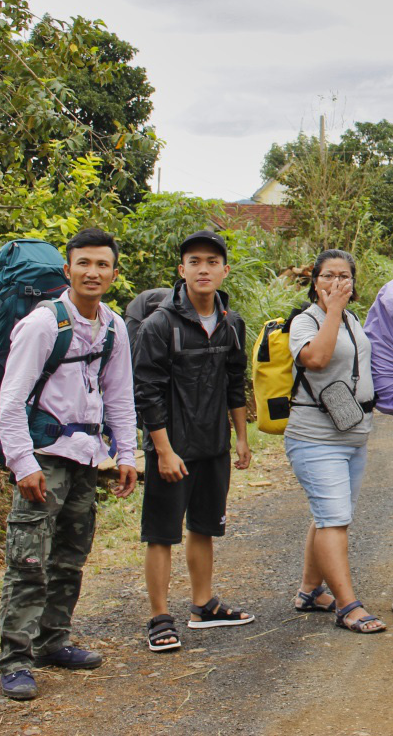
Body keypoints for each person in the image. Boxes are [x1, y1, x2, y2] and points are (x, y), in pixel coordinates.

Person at [0, 228, 139, 701]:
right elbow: (11, 401)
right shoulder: (43, 324)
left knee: (70, 558)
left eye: (102, 265)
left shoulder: (114, 327)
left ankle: (52, 641)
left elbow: (120, 396)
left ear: (114, 274)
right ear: (68, 270)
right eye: (84, 264)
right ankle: (14, 660)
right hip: (43, 458)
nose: (92, 272)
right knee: (29, 560)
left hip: (86, 459)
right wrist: (22, 463)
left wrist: (126, 454)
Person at [132, 231, 253, 653]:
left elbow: (236, 383)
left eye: (212, 262)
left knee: (205, 526)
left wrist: (240, 439)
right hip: (172, 446)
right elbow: (146, 392)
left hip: (214, 443)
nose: (204, 269)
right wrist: (163, 451)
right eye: (194, 261)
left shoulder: (231, 323)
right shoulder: (159, 325)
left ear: (224, 270)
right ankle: (159, 617)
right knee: (162, 533)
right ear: (181, 270)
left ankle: (203, 605)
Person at [286, 249, 384, 634]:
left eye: (344, 276)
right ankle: (348, 606)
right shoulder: (305, 322)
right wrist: (331, 310)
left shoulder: (352, 320)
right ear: (315, 282)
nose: (337, 283)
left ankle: (310, 591)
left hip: (352, 435)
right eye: (328, 276)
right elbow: (318, 359)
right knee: (334, 520)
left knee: (331, 516)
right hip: (314, 437)